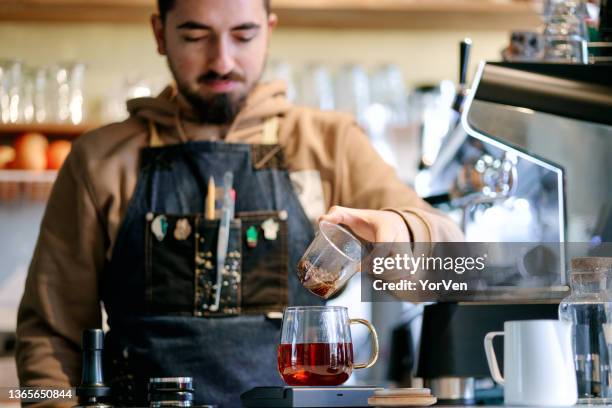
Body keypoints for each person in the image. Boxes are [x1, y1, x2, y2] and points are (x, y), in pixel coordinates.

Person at [15, 0, 462, 406]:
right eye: (194, 36)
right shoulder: (100, 160)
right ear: (159, 33)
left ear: (269, 30)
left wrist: (402, 234)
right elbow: (49, 334)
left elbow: (456, 263)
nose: (221, 60)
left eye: (243, 36)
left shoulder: (328, 144)